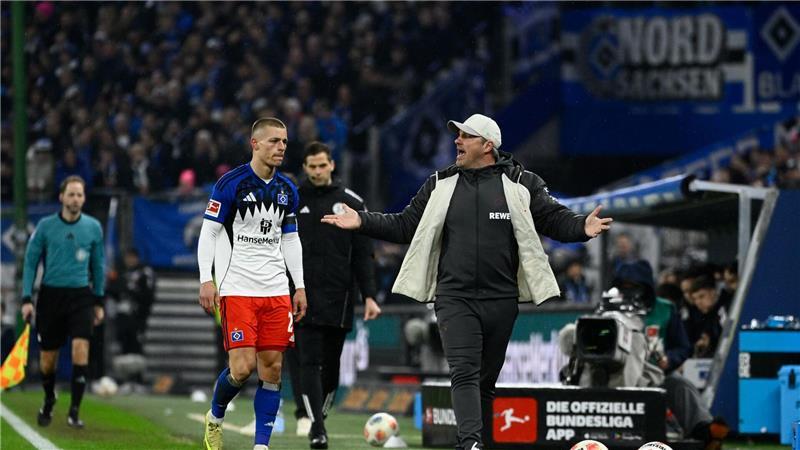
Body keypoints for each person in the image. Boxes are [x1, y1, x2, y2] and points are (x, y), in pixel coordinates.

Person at [322, 113, 612, 450]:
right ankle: (470, 443)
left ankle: (477, 443)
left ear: (487, 145)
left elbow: (553, 218)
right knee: (464, 371)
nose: (457, 141)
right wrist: (363, 220)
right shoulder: (439, 183)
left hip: (502, 299)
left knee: (485, 382)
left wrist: (581, 227)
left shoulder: (522, 182)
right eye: (457, 135)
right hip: (453, 297)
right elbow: (404, 225)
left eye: (465, 136)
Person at [197, 117, 308, 450]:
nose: (281, 147)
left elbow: (290, 239)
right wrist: (206, 279)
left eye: (284, 141)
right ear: (255, 144)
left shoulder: (288, 189)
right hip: (237, 287)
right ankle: (215, 416)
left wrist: (299, 286)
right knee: (242, 369)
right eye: (274, 141)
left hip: (276, 290)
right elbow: (209, 232)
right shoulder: (230, 184)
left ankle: (261, 446)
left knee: (272, 370)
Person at [287, 141, 380, 449]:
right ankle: (317, 427)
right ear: (305, 168)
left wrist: (369, 295)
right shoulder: (291, 200)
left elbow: (363, 253)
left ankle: (319, 416)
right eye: (312, 166)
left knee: (331, 365)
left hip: (339, 297)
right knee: (308, 361)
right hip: (301, 296)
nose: (317, 171)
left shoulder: (351, 202)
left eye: (322, 165)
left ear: (332, 165)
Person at [613, 261, 728, 450]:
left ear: (646, 286)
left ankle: (704, 430)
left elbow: (683, 347)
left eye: (634, 286)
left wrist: (670, 360)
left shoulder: (666, 309)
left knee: (681, 385)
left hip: (655, 372)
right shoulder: (609, 310)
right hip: (617, 375)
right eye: (624, 286)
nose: (629, 291)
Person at [20, 175, 105, 429]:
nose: (76, 199)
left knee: (81, 349)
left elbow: (98, 266)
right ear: (61, 197)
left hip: (81, 296)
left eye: (80, 194)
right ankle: (49, 398)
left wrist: (99, 300)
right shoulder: (45, 226)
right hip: (51, 297)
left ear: (84, 198)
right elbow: (30, 262)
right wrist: (26, 298)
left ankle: (74, 412)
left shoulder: (93, 227)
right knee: (48, 360)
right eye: (71, 194)